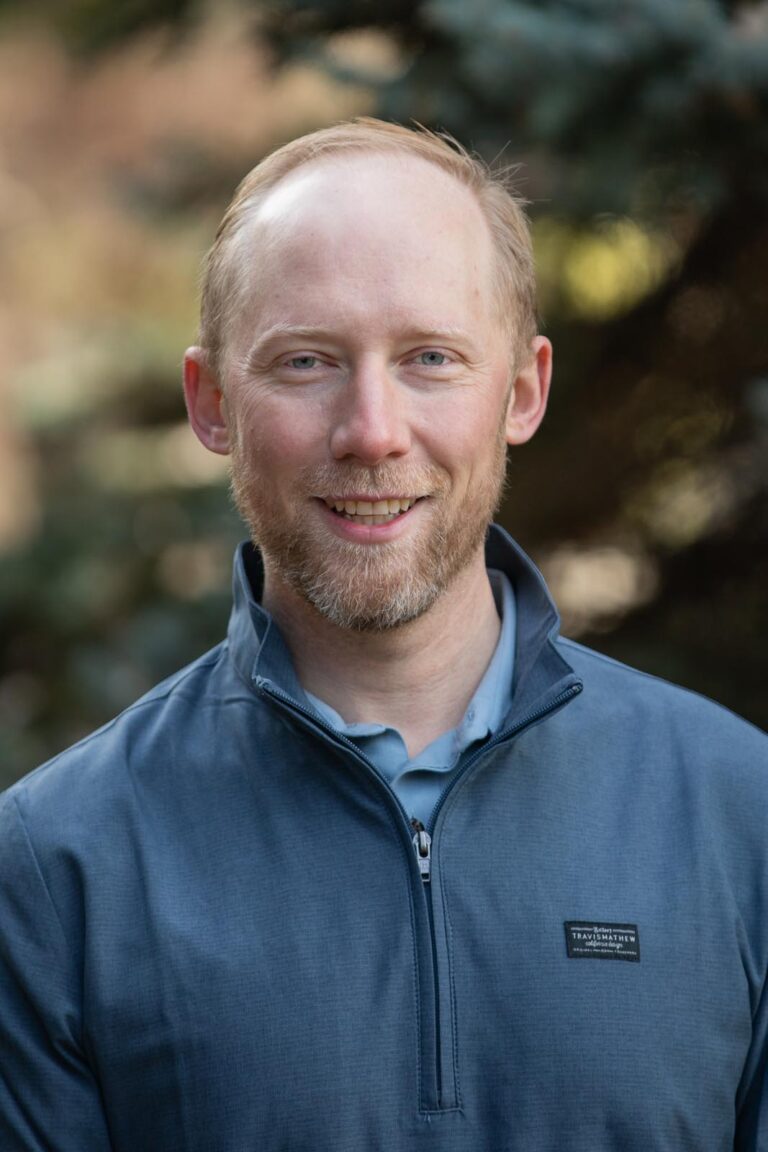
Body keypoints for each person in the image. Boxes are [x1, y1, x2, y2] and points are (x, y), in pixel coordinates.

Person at [0, 118, 766, 1152]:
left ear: (524, 389)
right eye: (307, 360)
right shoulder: (56, 866)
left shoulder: (740, 814)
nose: (371, 429)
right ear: (213, 402)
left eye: (432, 357)